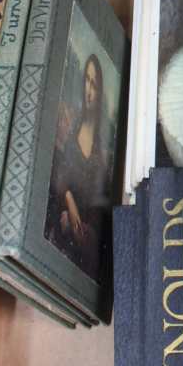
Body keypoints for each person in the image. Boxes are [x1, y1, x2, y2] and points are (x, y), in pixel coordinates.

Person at [45, 54, 111, 280]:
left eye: (94, 84)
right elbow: (60, 174)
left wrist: (86, 229)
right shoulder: (72, 123)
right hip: (61, 215)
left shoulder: (102, 148)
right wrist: (69, 203)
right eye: (87, 81)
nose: (89, 90)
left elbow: (99, 202)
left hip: (84, 235)